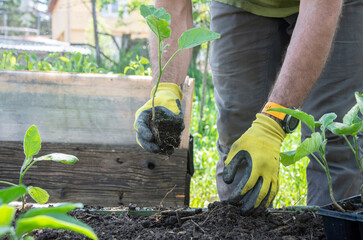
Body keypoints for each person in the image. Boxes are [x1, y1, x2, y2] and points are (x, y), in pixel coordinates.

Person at [134, 0, 363, 213]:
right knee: (237, 138)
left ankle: (334, 228)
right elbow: (172, 5)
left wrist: (272, 124)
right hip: (241, 4)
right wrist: (165, 88)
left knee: (334, 135)